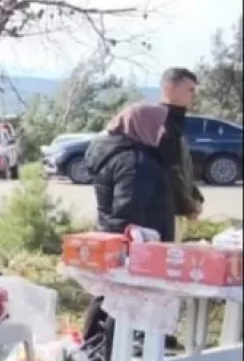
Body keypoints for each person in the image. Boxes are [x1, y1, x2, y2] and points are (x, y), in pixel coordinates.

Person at [79, 103, 176, 344]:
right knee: (122, 302)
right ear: (142, 126)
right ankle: (106, 355)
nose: (163, 132)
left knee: (108, 296)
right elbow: (128, 209)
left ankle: (92, 346)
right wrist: (140, 247)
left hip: (114, 237)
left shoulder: (113, 151)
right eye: (159, 126)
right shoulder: (135, 162)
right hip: (134, 243)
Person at [159, 67, 204, 238]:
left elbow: (183, 168)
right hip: (166, 211)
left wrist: (196, 198)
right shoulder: (162, 124)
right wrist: (189, 206)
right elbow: (171, 170)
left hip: (178, 209)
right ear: (169, 87)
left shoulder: (177, 123)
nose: (193, 95)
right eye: (190, 89)